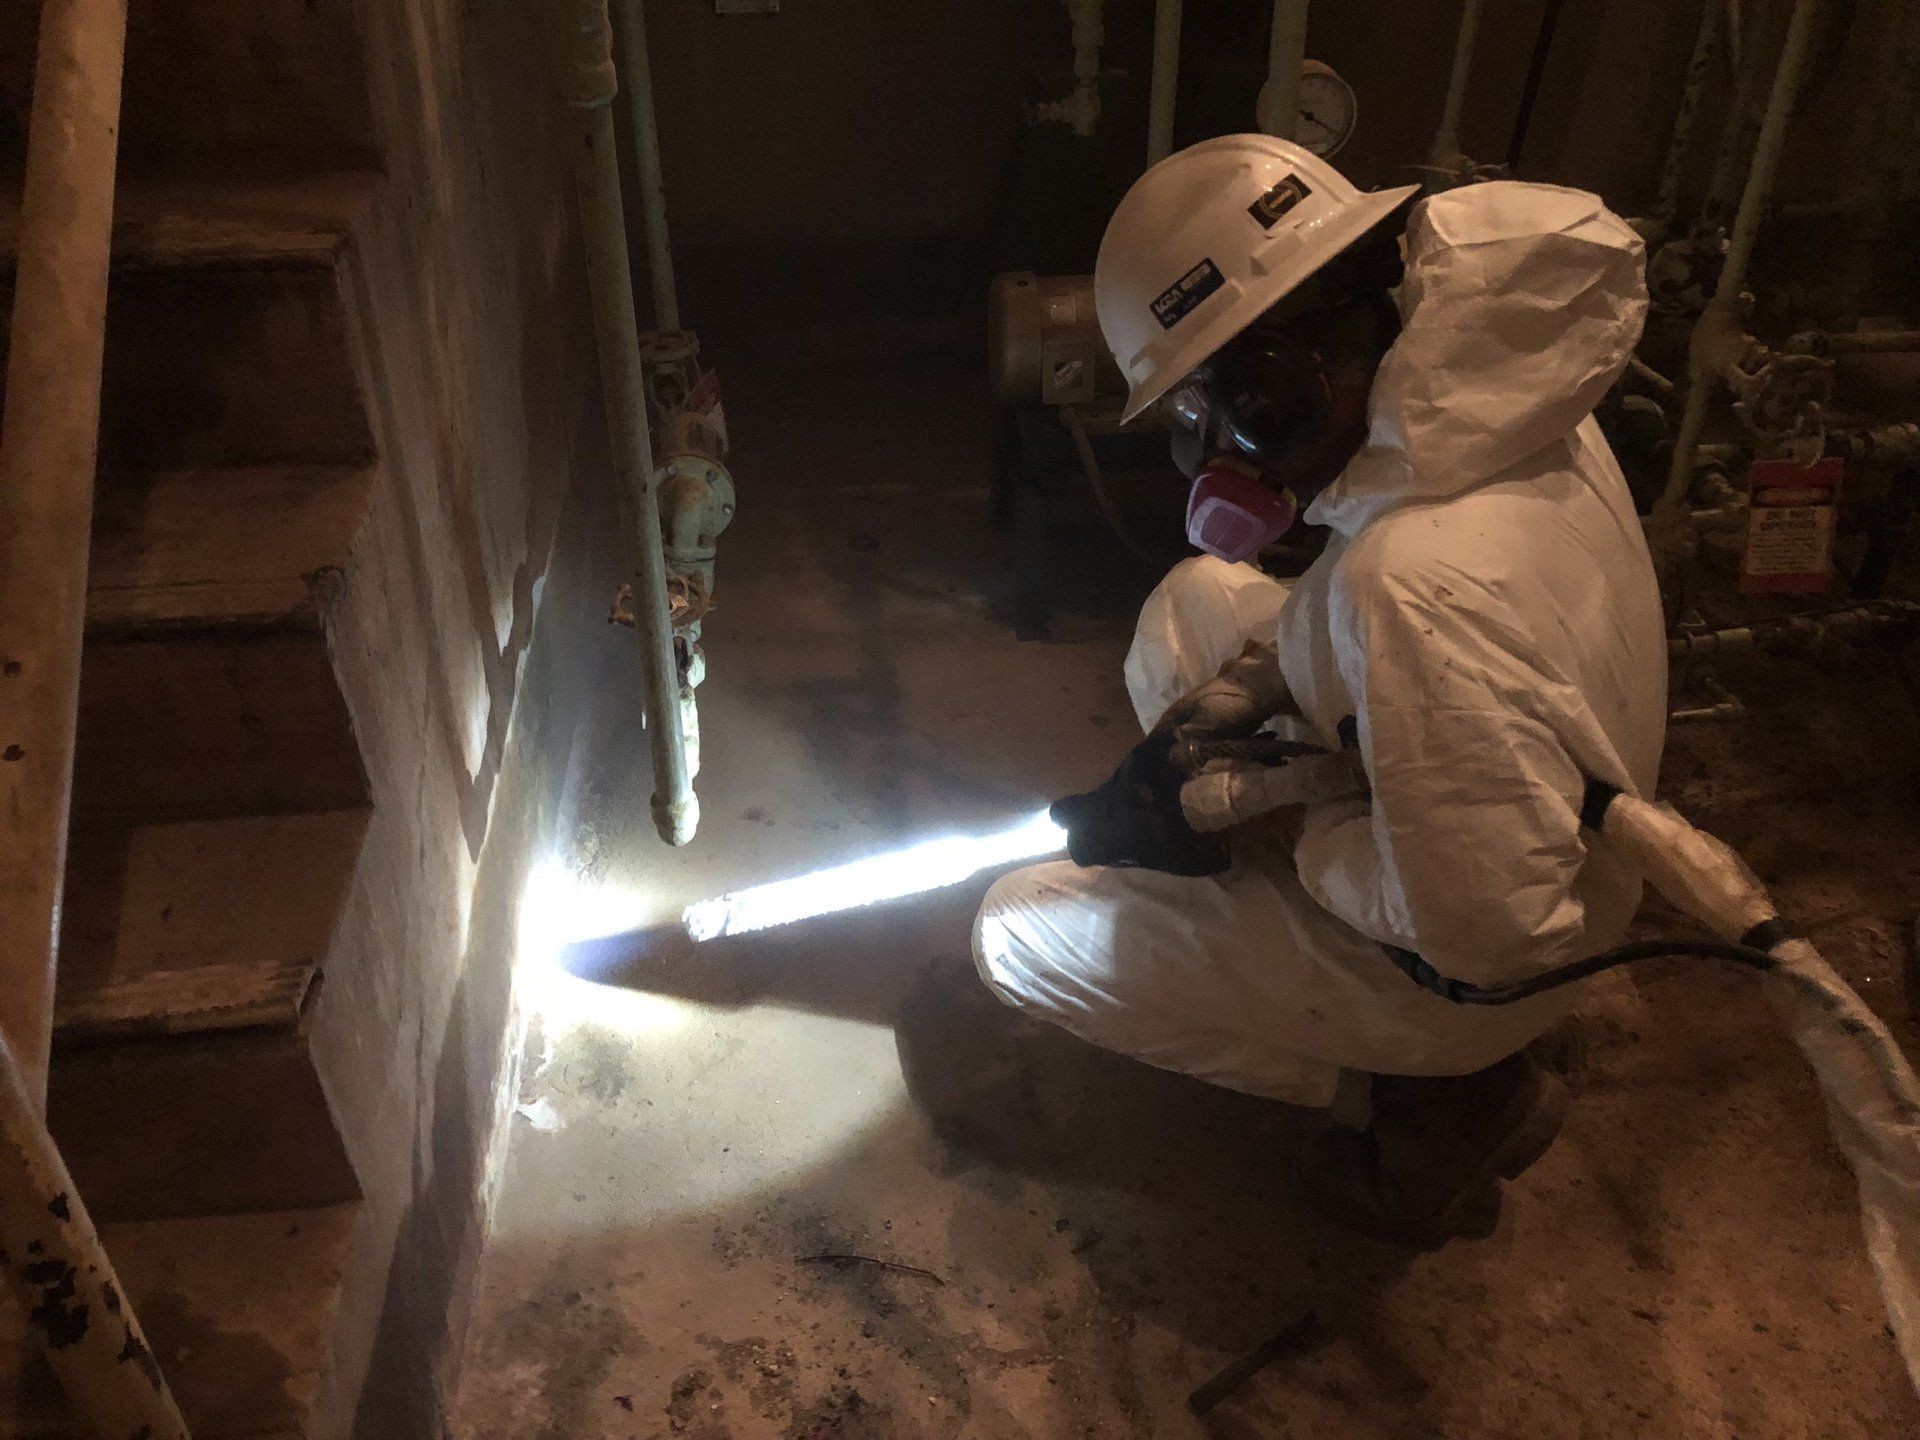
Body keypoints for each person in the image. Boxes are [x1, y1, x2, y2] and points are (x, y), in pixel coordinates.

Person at [971, 135, 1668, 1243]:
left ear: (1280, 389)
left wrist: (1284, 823)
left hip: (1501, 961)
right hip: (1530, 823)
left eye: (1214, 414)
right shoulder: (1493, 389)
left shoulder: (1413, 588)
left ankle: (1435, 1106)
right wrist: (1245, 704)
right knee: (1196, 600)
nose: (1215, 458)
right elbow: (1388, 622)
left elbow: (1487, 938)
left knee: (1017, 933)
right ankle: (1335, 958)